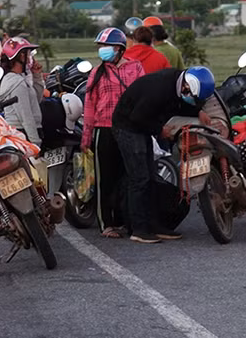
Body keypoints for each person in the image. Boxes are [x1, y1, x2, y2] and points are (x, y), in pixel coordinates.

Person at [112, 66, 215, 243]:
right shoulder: (159, 89)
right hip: (128, 127)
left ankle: (153, 224)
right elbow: (138, 117)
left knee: (152, 178)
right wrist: (160, 131)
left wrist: (198, 112)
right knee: (140, 178)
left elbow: (179, 104)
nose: (194, 101)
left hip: (141, 128)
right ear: (186, 87)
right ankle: (138, 229)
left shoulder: (177, 83)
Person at [80, 28, 145, 238]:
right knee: (105, 179)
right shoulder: (97, 72)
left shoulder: (135, 68)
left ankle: (124, 220)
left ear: (119, 49)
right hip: (103, 130)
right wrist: (86, 136)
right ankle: (106, 223)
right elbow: (89, 105)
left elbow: (143, 97)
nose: (102, 50)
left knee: (127, 177)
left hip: (128, 130)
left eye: (105, 47)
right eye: (100, 47)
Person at [0, 37, 43, 147]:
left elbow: (36, 101)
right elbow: (26, 116)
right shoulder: (17, 83)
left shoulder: (19, 78)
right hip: (22, 133)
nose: (31, 57)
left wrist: (37, 76)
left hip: (22, 132)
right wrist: (35, 142)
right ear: (21, 55)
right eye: (28, 53)